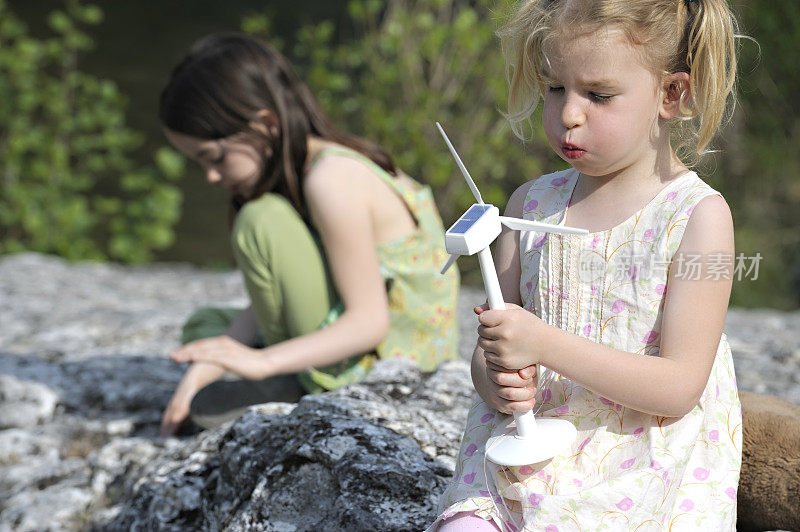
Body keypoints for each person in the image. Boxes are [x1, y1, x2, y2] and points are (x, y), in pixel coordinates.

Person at [430, 0, 743, 530]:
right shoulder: (527, 206)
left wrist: (545, 345)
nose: (568, 113)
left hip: (638, 472)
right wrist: (497, 382)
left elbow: (679, 386)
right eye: (555, 87)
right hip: (521, 463)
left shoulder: (698, 217)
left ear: (672, 94)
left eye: (597, 95)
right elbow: (491, 347)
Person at [158, 33, 459, 437]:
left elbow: (370, 323)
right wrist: (202, 374)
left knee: (258, 221)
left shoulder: (331, 179)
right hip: (375, 344)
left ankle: (301, 380)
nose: (211, 177)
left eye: (214, 158)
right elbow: (275, 300)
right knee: (206, 328)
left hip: (387, 366)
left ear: (265, 124)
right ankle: (282, 370)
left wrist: (262, 363)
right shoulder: (319, 162)